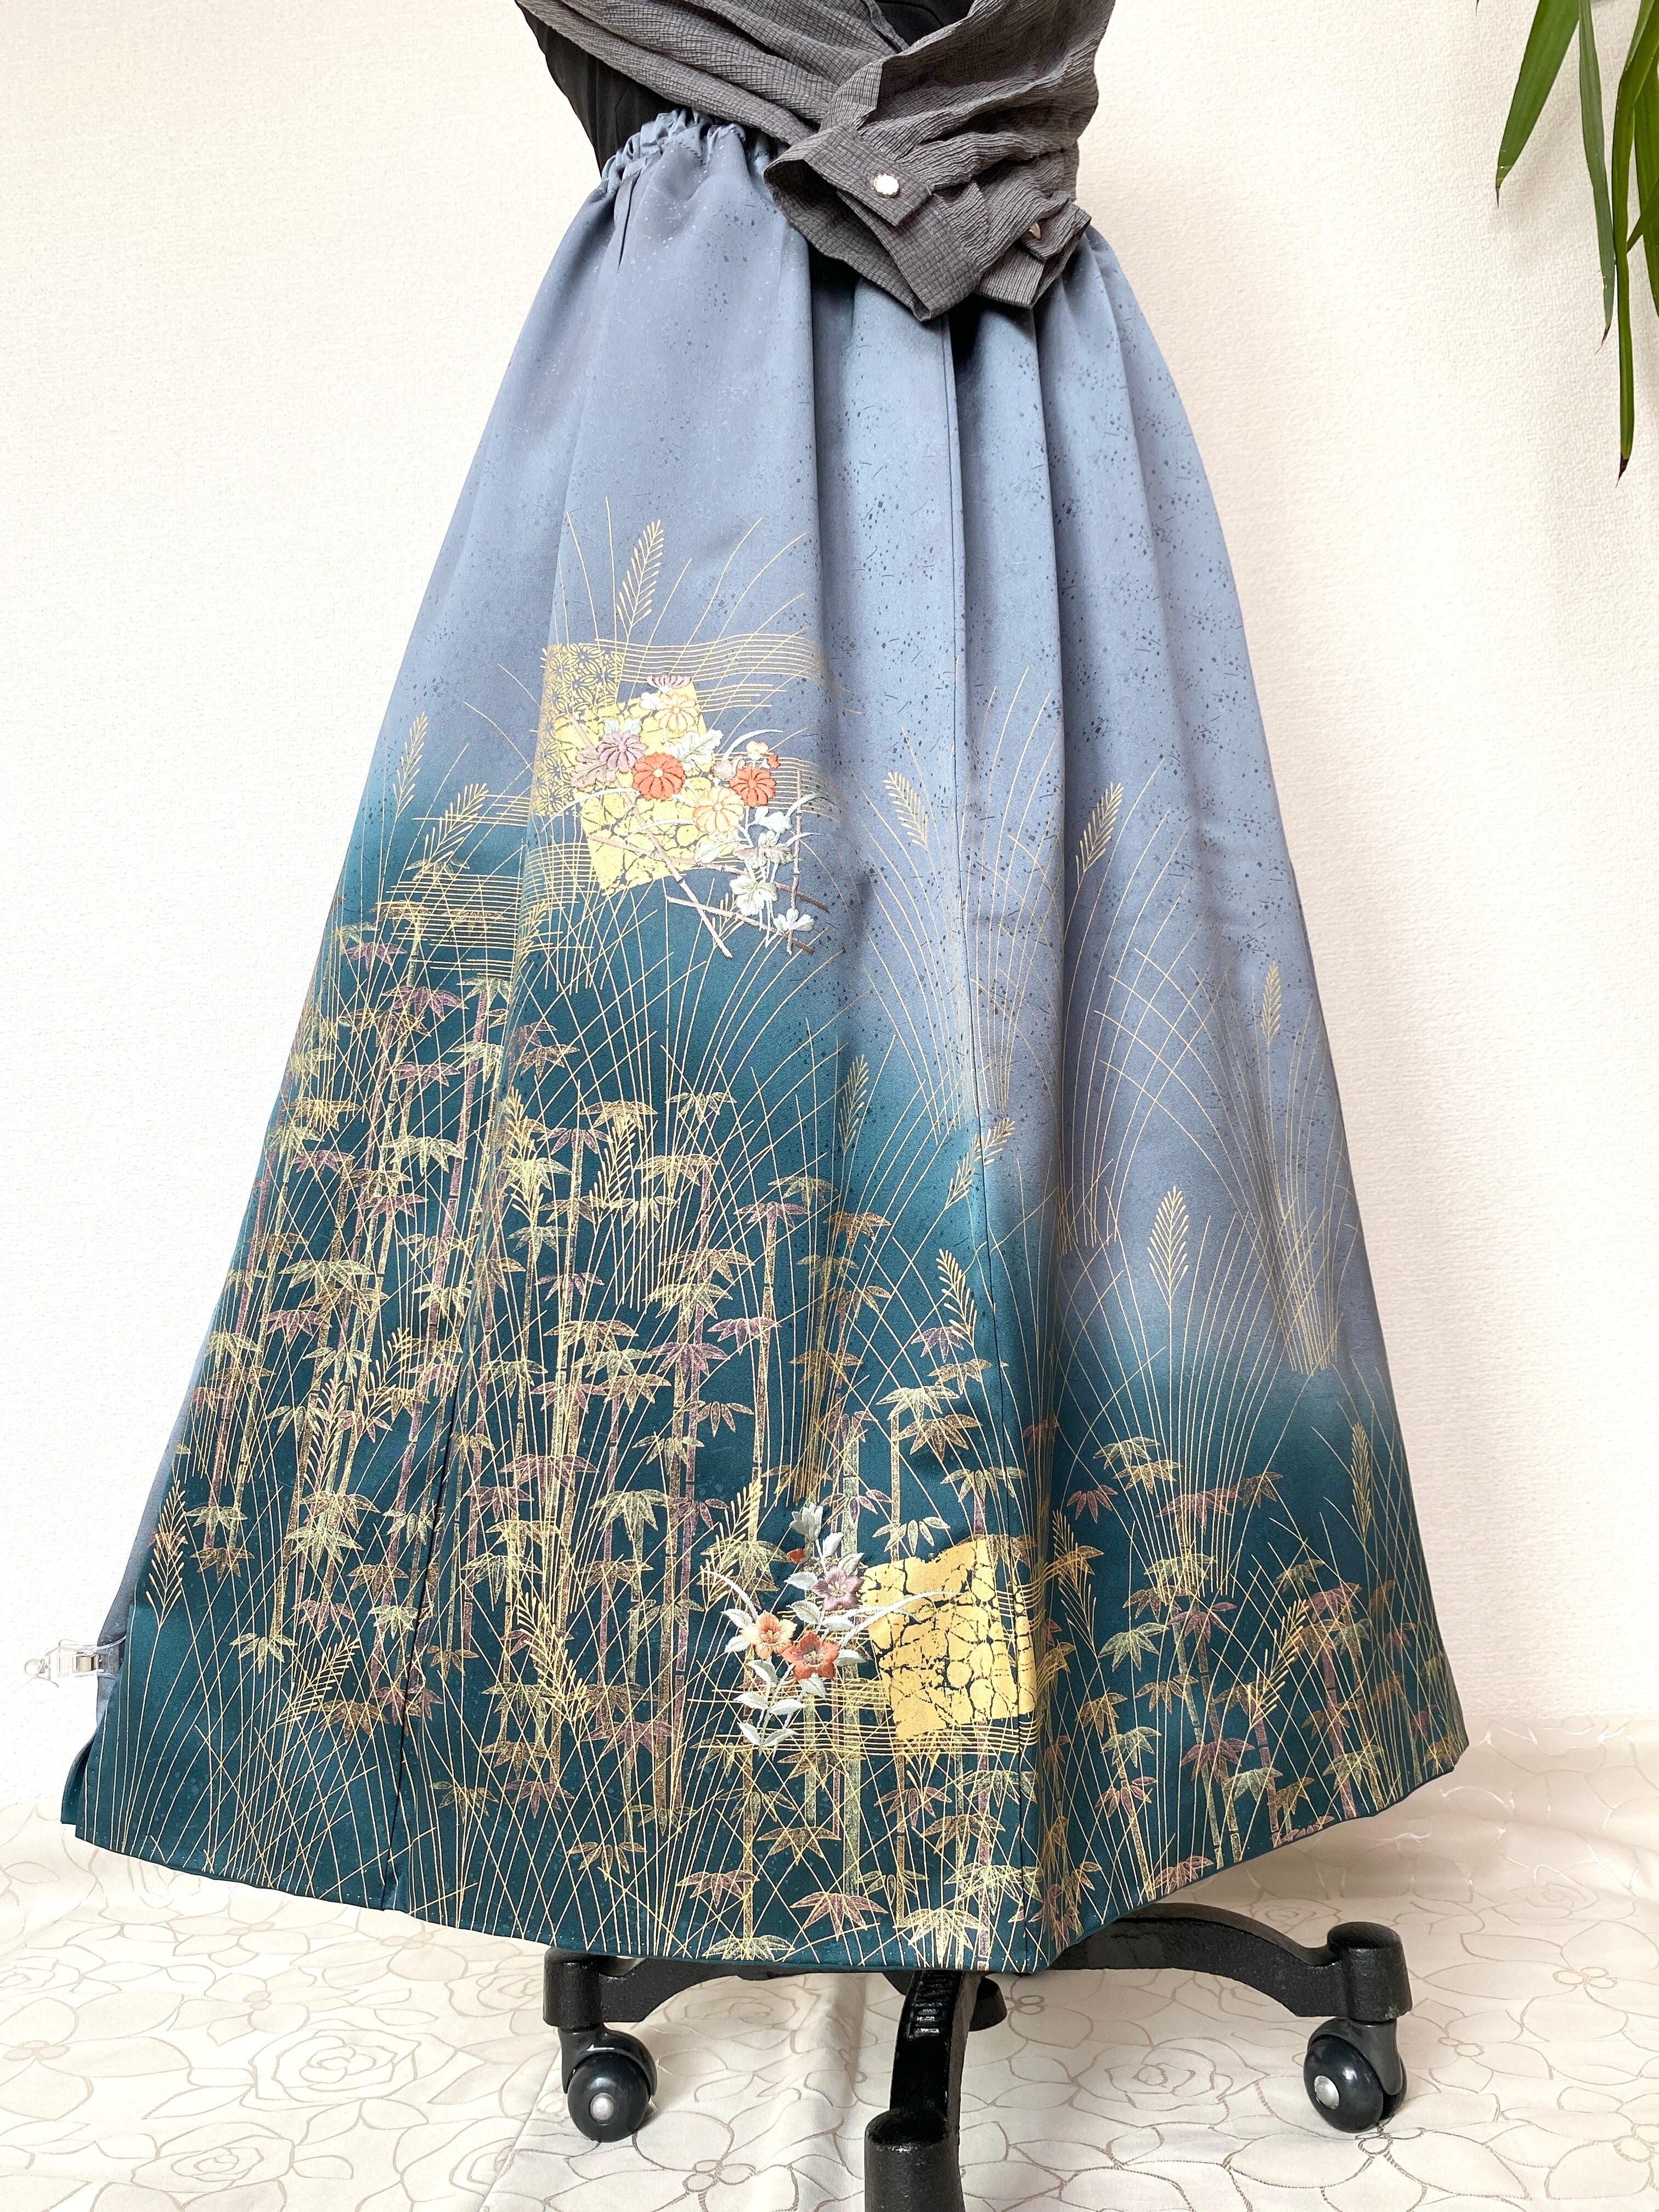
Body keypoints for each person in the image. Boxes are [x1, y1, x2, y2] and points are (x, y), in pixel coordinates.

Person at [66, 0, 1465, 1973]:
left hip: (1011, 419)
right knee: (674, 1110)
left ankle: (1003, 1784)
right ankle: (783, 1793)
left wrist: (880, 152)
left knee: (1068, 1082)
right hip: (725, 432)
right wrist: (904, 150)